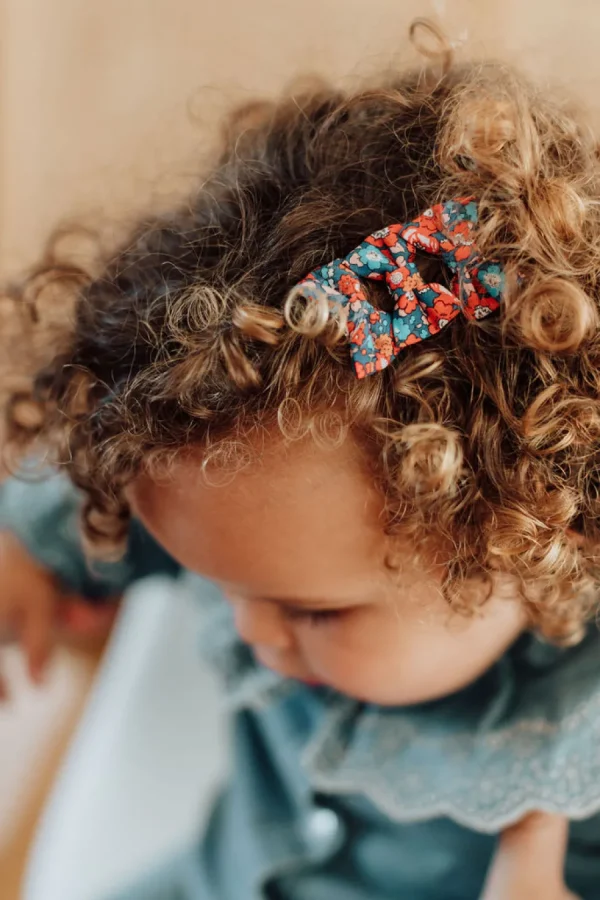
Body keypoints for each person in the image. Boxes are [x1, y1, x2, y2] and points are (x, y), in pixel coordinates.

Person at [1, 27, 598, 899]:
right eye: (226, 586)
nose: (248, 630)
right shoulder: (261, 514)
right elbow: (111, 500)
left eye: (311, 613)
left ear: (529, 534)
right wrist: (28, 551)